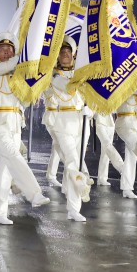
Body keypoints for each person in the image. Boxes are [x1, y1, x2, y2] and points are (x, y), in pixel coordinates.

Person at [0, 32, 51, 224]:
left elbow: (25, 99)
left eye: (10, 50)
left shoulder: (17, 76)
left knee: (3, 171)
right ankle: (34, 193)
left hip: (15, 124)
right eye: (2, 50)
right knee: (14, 157)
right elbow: (5, 67)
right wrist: (22, 59)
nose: (6, 53)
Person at [43, 37, 93, 222]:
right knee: (72, 161)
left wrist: (92, 109)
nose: (65, 55)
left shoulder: (81, 74)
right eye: (62, 52)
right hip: (60, 121)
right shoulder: (52, 74)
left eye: (68, 52)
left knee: (77, 163)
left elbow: (92, 94)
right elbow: (67, 88)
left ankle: (74, 193)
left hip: (81, 121)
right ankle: (76, 201)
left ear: (73, 55)